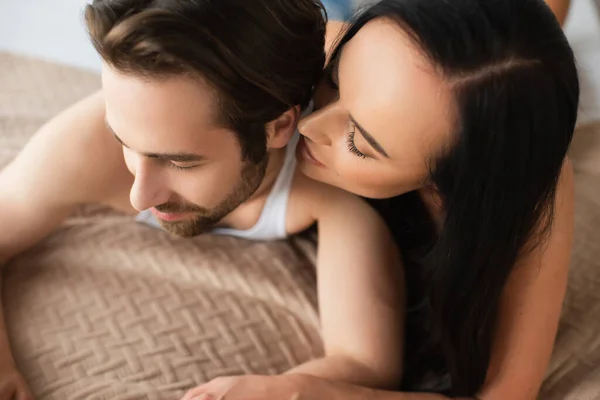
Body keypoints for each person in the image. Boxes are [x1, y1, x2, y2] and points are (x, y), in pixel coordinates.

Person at [0, 1, 407, 399]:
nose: (139, 195)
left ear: (279, 126)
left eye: (179, 161)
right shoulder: (81, 148)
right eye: (123, 141)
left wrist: (279, 389)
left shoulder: (330, 189)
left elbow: (368, 365)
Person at [181, 0, 578, 399]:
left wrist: (303, 391)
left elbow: (505, 392)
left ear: (447, 182)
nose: (307, 124)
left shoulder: (522, 198)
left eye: (360, 142)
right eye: (334, 81)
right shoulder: (327, 45)